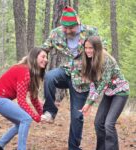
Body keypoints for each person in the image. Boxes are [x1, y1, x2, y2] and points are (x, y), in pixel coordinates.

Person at [41, 6, 99, 150]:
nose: (67, 31)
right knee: (49, 77)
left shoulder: (91, 32)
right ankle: (50, 111)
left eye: (70, 28)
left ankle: (73, 147)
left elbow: (102, 51)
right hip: (66, 72)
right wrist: (34, 62)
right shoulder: (56, 34)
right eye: (64, 28)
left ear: (77, 23)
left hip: (82, 80)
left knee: (76, 117)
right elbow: (44, 49)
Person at [0, 47, 48, 150]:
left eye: (46, 57)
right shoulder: (24, 71)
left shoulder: (31, 73)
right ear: (34, 57)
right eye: (43, 56)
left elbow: (34, 99)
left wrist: (42, 114)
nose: (46, 60)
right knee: (26, 119)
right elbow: (21, 101)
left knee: (21, 123)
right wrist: (36, 117)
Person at [81, 36, 130, 150]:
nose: (87, 50)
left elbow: (103, 83)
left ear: (97, 48)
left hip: (120, 92)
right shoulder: (90, 60)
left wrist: (90, 103)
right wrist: (88, 102)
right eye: (86, 47)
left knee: (109, 124)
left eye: (91, 48)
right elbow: (93, 84)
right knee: (98, 123)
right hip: (109, 93)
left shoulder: (107, 60)